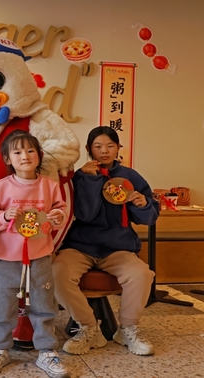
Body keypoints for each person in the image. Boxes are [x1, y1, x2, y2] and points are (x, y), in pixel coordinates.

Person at [52, 126, 158, 356]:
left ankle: (128, 329)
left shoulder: (130, 176)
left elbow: (148, 218)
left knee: (141, 273)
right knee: (56, 272)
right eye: (98, 146)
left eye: (110, 146)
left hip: (117, 248)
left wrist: (142, 204)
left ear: (118, 148)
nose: (104, 151)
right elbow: (85, 213)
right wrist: (90, 181)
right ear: (89, 149)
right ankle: (89, 328)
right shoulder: (76, 177)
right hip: (80, 246)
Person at [0, 130, 69, 378]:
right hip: (5, 257)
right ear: (8, 159)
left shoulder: (50, 186)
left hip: (39, 254)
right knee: (2, 305)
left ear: (38, 156)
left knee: (44, 303)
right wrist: (2, 216)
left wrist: (56, 217)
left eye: (30, 151)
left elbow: (60, 212)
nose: (25, 156)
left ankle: (47, 351)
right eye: (17, 152)